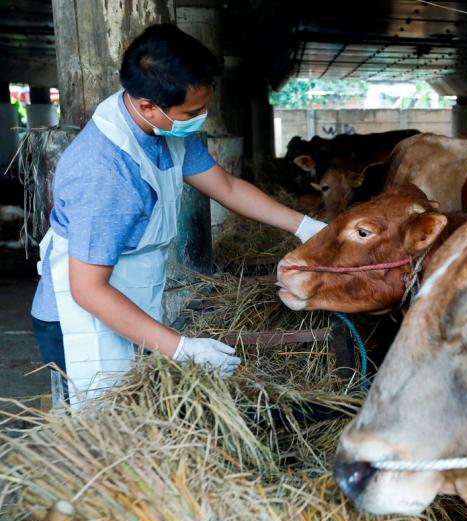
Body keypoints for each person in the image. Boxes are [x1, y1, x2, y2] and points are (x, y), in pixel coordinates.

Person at [30, 24, 326, 409]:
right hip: (81, 319)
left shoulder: (163, 128)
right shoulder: (105, 172)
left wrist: (306, 226)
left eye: (204, 106)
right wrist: (183, 348)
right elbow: (88, 289)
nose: (201, 118)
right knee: (103, 423)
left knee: (141, 411)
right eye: (193, 111)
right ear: (148, 105)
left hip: (129, 296)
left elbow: (228, 188)